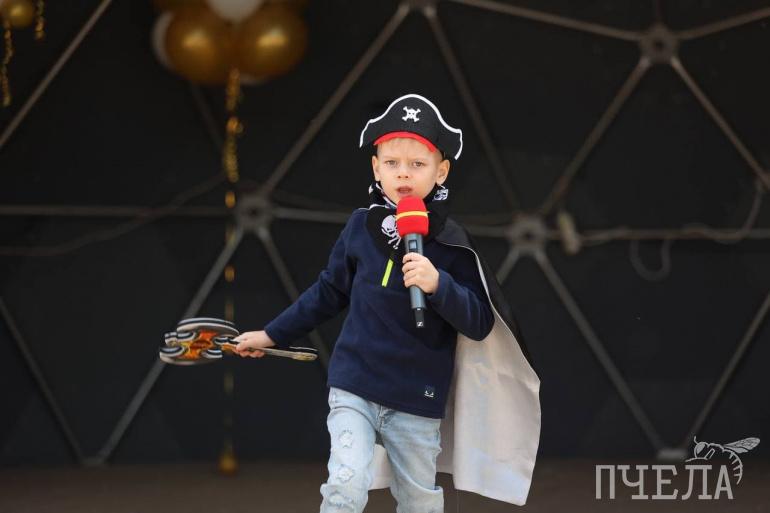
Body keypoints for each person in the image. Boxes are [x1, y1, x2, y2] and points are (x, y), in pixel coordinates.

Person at [234, 94, 541, 511]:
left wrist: (439, 285)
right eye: (392, 162)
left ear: (441, 171)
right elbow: (327, 293)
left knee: (417, 500)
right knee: (345, 484)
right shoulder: (360, 228)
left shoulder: (451, 243)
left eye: (417, 164)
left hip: (417, 397)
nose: (404, 173)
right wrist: (272, 334)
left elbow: (480, 322)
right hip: (355, 384)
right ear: (376, 168)